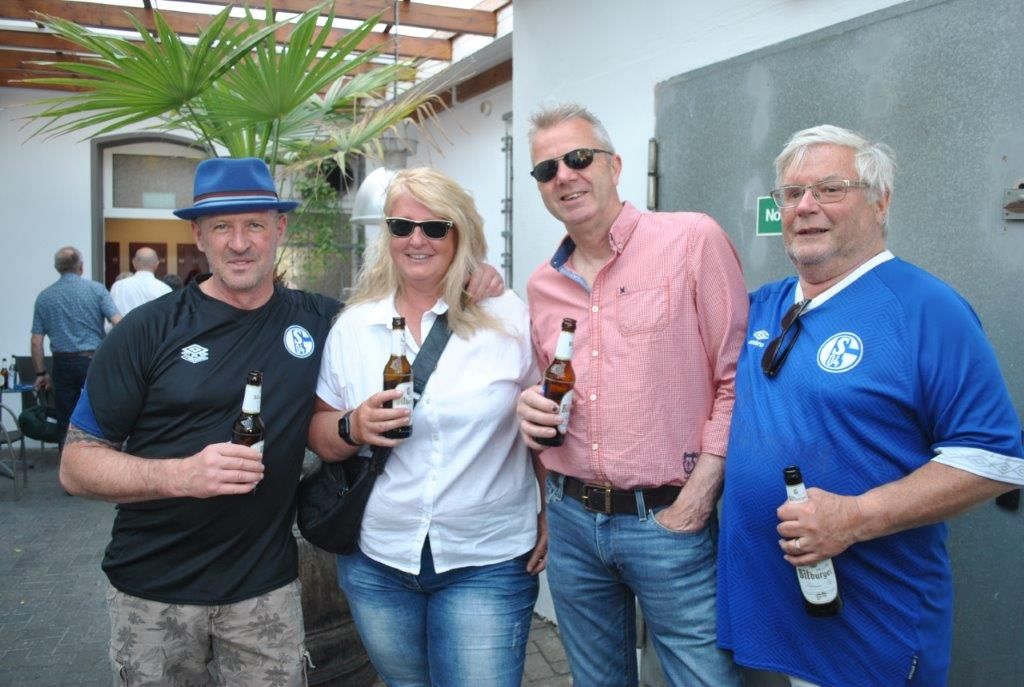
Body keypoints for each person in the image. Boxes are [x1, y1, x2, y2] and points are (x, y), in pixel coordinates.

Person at [60, 157, 504, 686]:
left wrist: (470, 275)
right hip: (153, 591)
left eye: (254, 224)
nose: (239, 243)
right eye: (222, 227)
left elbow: (402, 305)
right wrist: (180, 475)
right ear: (198, 235)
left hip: (264, 592)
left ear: (280, 228)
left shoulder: (323, 321)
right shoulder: (146, 330)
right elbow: (76, 466)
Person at [717, 125, 1024, 687]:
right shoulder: (763, 306)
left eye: (830, 189)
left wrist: (854, 518)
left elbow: (994, 460)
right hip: (776, 616)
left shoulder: (925, 308)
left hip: (871, 627)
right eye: (791, 193)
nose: (805, 206)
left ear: (880, 203)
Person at [516, 103, 747, 687]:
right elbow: (554, 388)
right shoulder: (542, 285)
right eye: (547, 169)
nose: (564, 176)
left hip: (667, 519)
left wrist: (699, 497)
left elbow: (736, 378)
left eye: (578, 158)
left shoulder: (692, 240)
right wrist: (533, 408)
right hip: (572, 521)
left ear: (615, 165)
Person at [308, 167, 543, 687]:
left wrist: (550, 510)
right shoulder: (354, 327)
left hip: (487, 557)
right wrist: (353, 426)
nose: (417, 240)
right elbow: (320, 433)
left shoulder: (507, 317)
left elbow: (541, 426)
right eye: (401, 226)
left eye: (435, 227)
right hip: (378, 560)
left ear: (460, 233)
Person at [31, 246, 120, 451]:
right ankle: (101, 458)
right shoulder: (96, 290)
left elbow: (36, 341)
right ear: (81, 266)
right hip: (94, 361)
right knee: (99, 412)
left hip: (62, 363)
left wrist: (41, 373)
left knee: (65, 416)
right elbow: (119, 323)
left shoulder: (45, 297)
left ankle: (68, 461)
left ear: (57, 267)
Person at [109, 246, 172, 315]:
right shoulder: (165, 289)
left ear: (133, 263)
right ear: (157, 264)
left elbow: (111, 314)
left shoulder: (118, 286)